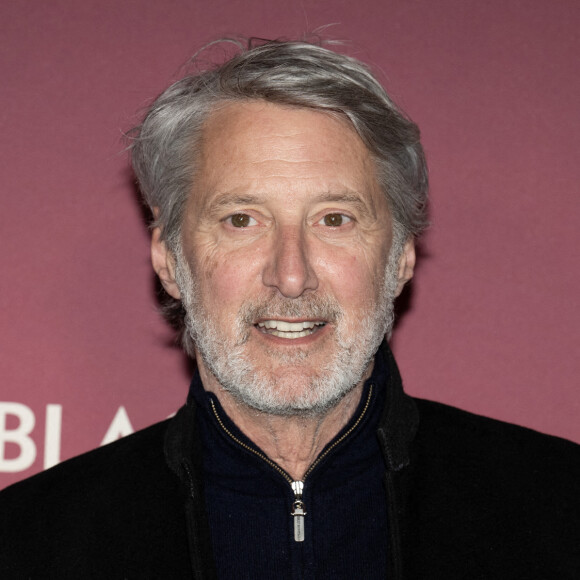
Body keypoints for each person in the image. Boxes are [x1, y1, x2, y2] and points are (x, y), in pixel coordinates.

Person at [0, 39, 578, 580]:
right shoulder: (30, 541)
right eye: (241, 220)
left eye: (334, 219)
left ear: (400, 255)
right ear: (170, 259)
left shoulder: (558, 509)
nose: (292, 275)